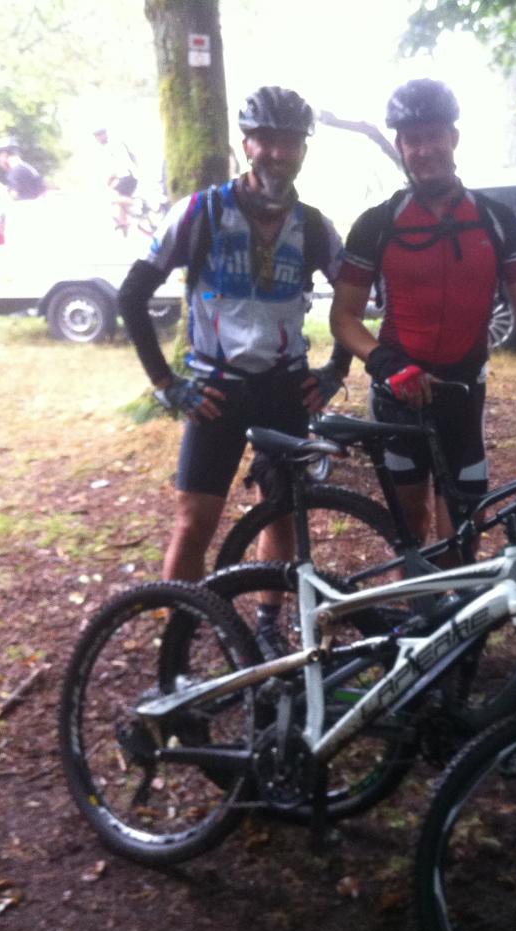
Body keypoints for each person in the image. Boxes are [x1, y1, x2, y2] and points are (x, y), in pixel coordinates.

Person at [116, 85, 350, 599]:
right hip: (215, 393)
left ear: (303, 151)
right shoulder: (199, 213)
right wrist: (165, 383)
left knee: (282, 518)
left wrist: (336, 370)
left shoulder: (313, 226)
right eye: (265, 140)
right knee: (193, 523)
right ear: (246, 144)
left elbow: (354, 297)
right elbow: (132, 295)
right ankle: (178, 653)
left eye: (289, 143)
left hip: (285, 391)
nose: (278, 154)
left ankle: (266, 627)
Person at [329, 78, 516, 553]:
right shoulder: (376, 223)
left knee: (463, 533)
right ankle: (418, 618)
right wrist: (383, 362)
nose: (424, 149)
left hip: (463, 397)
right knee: (410, 523)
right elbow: (343, 317)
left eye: (433, 136)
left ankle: (460, 622)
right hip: (397, 395)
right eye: (412, 140)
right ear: (401, 146)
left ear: (454, 138)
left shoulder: (495, 219)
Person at [93, 126, 140, 234]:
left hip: (128, 175)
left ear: (103, 134)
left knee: (112, 197)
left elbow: (121, 164)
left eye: (98, 136)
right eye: (96, 138)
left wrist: (111, 178)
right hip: (128, 175)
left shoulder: (114, 145)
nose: (98, 140)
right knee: (120, 200)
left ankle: (136, 204)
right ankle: (123, 222)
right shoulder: (111, 145)